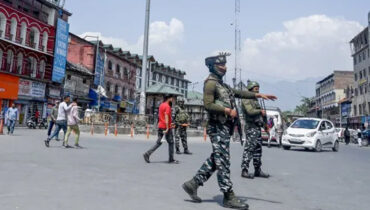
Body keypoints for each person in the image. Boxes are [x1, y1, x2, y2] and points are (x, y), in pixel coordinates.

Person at [182, 53, 277, 209]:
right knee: (223, 161)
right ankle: (228, 196)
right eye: (221, 65)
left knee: (217, 158)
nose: (224, 68)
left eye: (225, 65)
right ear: (213, 66)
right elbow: (208, 104)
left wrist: (258, 94)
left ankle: (193, 184)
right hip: (217, 127)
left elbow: (239, 93)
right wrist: (227, 110)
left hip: (224, 128)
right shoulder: (211, 84)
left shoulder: (222, 85)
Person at [240, 81, 270, 179]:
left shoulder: (255, 100)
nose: (257, 90)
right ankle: (244, 170)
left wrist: (265, 126)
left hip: (257, 127)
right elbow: (250, 111)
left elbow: (260, 115)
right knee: (249, 149)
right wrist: (260, 111)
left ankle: (257, 170)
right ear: (250, 89)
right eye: (255, 88)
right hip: (251, 127)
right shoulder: (246, 99)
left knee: (258, 149)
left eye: (258, 88)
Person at [143, 94, 179, 164]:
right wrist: (168, 127)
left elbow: (161, 116)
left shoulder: (161, 105)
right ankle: (171, 159)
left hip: (160, 126)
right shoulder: (167, 106)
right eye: (172, 98)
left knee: (159, 142)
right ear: (169, 98)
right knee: (171, 142)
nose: (172, 99)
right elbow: (166, 116)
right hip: (165, 127)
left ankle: (147, 153)